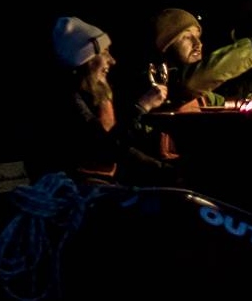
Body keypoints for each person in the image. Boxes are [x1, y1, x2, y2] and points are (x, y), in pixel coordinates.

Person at [21, 15, 173, 185]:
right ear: (86, 60)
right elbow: (105, 146)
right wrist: (141, 107)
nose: (112, 61)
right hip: (75, 192)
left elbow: (122, 149)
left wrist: (163, 169)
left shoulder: (98, 95)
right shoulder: (66, 99)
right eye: (105, 53)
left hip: (103, 184)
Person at [146, 6, 252, 109]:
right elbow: (193, 82)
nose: (198, 44)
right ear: (166, 46)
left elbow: (231, 105)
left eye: (198, 37)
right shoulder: (162, 86)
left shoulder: (205, 94)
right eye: (186, 37)